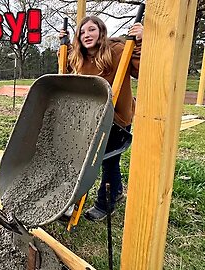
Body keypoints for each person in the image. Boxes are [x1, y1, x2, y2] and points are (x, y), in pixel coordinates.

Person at [59, 16, 143, 221]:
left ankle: (106, 203)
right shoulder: (79, 55)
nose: (86, 35)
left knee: (108, 161)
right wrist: (64, 45)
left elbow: (142, 70)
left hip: (117, 118)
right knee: (81, 160)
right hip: (91, 118)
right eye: (82, 32)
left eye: (91, 30)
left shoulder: (117, 50)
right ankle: (70, 201)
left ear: (101, 32)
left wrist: (141, 41)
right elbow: (66, 68)